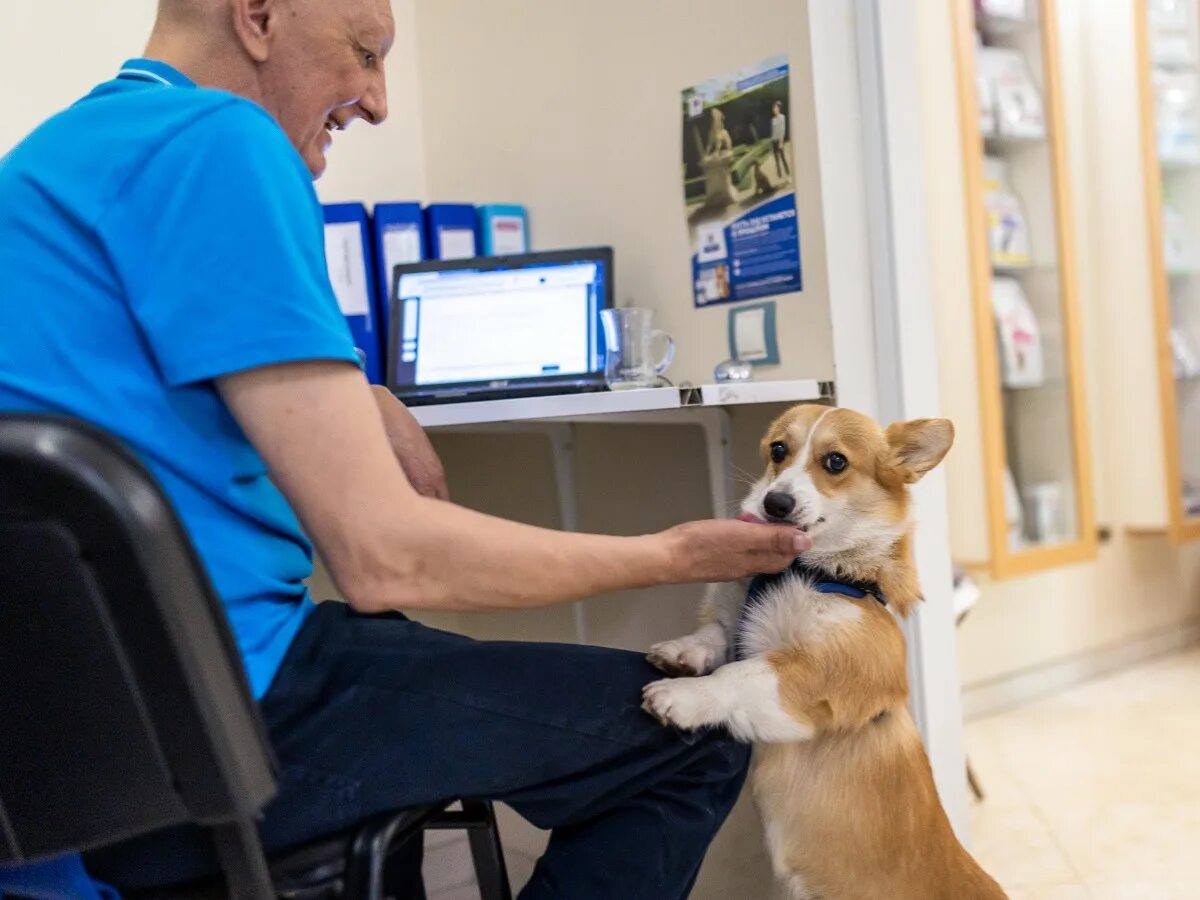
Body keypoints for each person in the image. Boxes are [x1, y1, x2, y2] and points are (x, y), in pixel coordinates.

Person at [0, 0, 812, 897]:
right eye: (364, 53)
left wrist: (361, 387)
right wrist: (667, 556)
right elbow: (387, 557)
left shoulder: (52, 162)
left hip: (54, 771)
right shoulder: (219, 141)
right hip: (215, 728)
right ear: (260, 15)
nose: (379, 101)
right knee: (690, 742)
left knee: (407, 650)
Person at [771, 100, 790, 180]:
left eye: (776, 107)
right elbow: (773, 131)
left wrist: (781, 142)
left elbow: (782, 130)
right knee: (777, 160)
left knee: (783, 158)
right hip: (774, 141)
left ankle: (788, 175)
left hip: (779, 140)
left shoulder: (782, 117)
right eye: (774, 107)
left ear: (779, 108)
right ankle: (780, 176)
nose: (774, 109)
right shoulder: (773, 119)